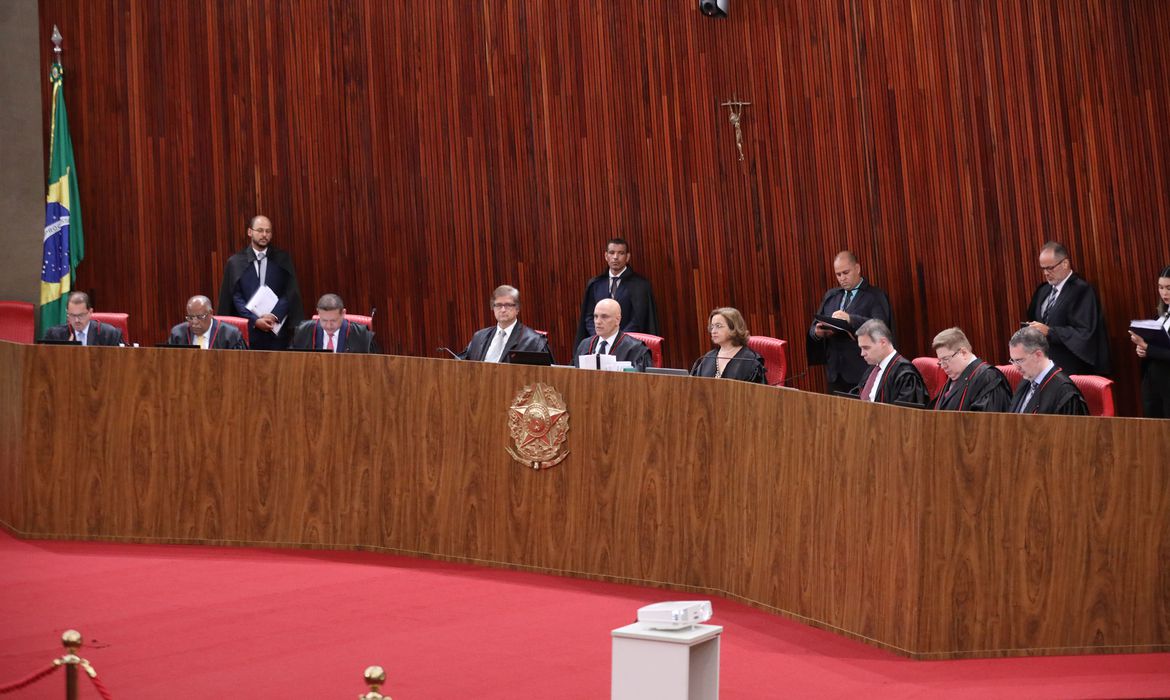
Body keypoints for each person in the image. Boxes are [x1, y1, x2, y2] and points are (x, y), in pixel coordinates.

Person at [807, 251, 893, 394]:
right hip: (834, 372)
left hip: (862, 371)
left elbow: (881, 326)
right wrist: (817, 332)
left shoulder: (875, 296)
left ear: (857, 268)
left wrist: (850, 319)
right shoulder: (831, 296)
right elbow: (814, 326)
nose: (842, 278)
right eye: (838, 275)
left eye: (846, 273)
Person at [216, 214, 304, 350]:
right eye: (260, 230)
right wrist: (254, 320)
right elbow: (235, 296)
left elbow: (290, 293)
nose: (264, 235)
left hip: (276, 331)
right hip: (246, 333)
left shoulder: (283, 259)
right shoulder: (235, 262)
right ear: (250, 232)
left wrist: (274, 315)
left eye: (268, 231)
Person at [1025, 241, 1110, 376]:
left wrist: (1051, 332)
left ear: (1065, 263)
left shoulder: (1082, 291)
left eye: (1050, 268)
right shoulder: (1043, 291)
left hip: (1070, 370)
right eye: (1043, 269)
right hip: (1045, 368)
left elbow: (1085, 333)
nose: (1046, 273)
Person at [575, 237, 659, 345]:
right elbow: (589, 316)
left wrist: (618, 340)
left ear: (627, 257)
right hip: (599, 344)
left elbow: (638, 319)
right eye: (612, 252)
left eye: (621, 253)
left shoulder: (640, 285)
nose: (615, 257)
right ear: (606, 256)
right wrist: (599, 337)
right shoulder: (595, 284)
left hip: (628, 346)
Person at [1007, 326, 1089, 415]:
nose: (1016, 367)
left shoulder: (1064, 391)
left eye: (1019, 360)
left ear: (1038, 355)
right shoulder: (1026, 382)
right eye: (1013, 361)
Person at [459, 285, 552, 363]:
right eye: (498, 305)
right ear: (493, 308)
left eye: (508, 305)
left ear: (517, 309)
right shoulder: (479, 337)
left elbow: (546, 376)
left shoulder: (534, 341)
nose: (503, 310)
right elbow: (462, 365)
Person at [928, 327, 1011, 412]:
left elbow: (987, 421)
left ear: (963, 353)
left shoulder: (989, 378)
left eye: (946, 359)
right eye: (940, 361)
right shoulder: (953, 379)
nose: (943, 366)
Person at [1127, 265, 1170, 418]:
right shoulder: (1162, 314)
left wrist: (1148, 347)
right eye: (1160, 287)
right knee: (1153, 431)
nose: (1164, 293)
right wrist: (1142, 349)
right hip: (1153, 381)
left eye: (1168, 288)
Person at [852, 319, 927, 405]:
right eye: (861, 348)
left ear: (883, 342)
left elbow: (905, 413)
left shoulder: (905, 374)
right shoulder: (872, 371)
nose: (862, 354)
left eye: (866, 348)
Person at [690, 307, 766, 384]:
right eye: (712, 327)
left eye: (718, 326)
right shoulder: (707, 357)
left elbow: (759, 393)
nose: (713, 331)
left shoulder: (751, 361)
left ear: (733, 328)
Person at [572, 298, 651, 371]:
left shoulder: (636, 349)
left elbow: (642, 381)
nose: (598, 321)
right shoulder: (584, 345)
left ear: (617, 320)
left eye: (604, 317)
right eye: (596, 316)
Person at [291, 294, 376, 353]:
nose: (328, 326)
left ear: (343, 313)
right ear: (318, 313)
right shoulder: (303, 332)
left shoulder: (362, 336)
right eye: (324, 320)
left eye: (333, 321)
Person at [42, 291, 124, 346]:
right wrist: (64, 353)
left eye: (81, 315)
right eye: (72, 315)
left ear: (90, 312)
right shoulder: (54, 335)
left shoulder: (110, 334)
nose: (77, 320)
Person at [167, 295, 246, 349]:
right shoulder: (178, 334)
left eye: (200, 317)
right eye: (190, 317)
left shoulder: (230, 335)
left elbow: (241, 365)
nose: (194, 322)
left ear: (211, 313)